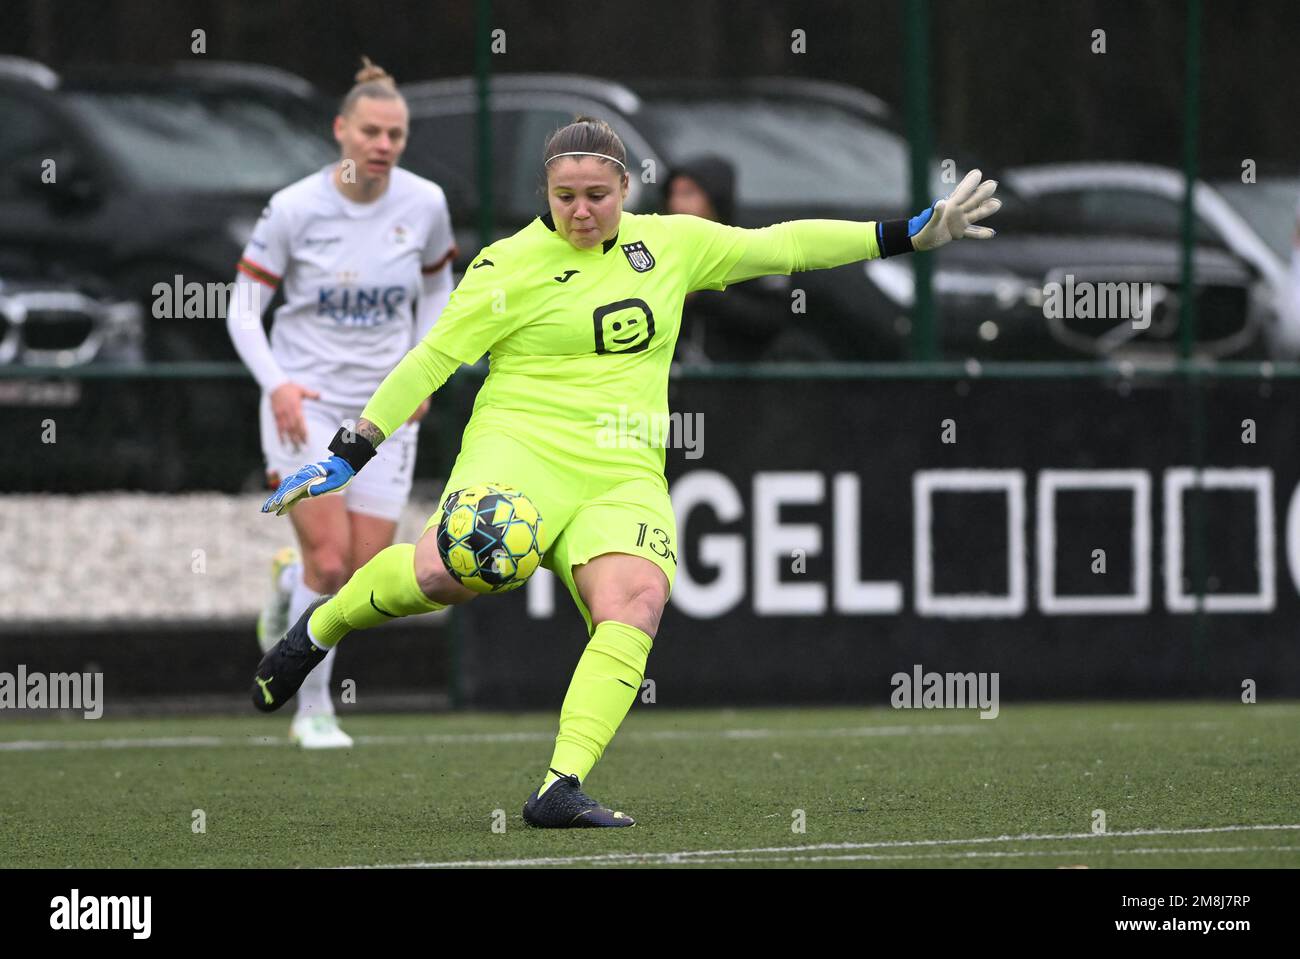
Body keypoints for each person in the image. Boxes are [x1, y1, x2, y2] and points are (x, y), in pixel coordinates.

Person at [252, 115, 1000, 823]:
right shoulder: (505, 265)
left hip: (623, 468)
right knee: (452, 573)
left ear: (625, 190)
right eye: (565, 197)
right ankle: (320, 624)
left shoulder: (670, 244)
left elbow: (785, 246)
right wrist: (349, 453)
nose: (581, 212)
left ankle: (559, 786)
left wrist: (909, 232)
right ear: (546, 193)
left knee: (637, 600)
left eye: (597, 196)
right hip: (521, 448)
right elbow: (432, 359)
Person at [226, 58, 456, 748]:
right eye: (372, 132)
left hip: (382, 412)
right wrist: (277, 384)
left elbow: (441, 291)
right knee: (332, 567)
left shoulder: (425, 204)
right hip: (308, 403)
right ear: (341, 132)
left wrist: (422, 373)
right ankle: (313, 710)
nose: (383, 146)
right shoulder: (296, 208)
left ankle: (287, 580)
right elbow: (243, 307)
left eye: (396, 134)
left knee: (357, 575)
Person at [665, 155, 833, 363]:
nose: (677, 204)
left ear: (715, 198)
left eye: (688, 194)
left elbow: (771, 318)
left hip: (737, 381)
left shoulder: (756, 247)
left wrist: (702, 295)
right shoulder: (663, 247)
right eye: (673, 194)